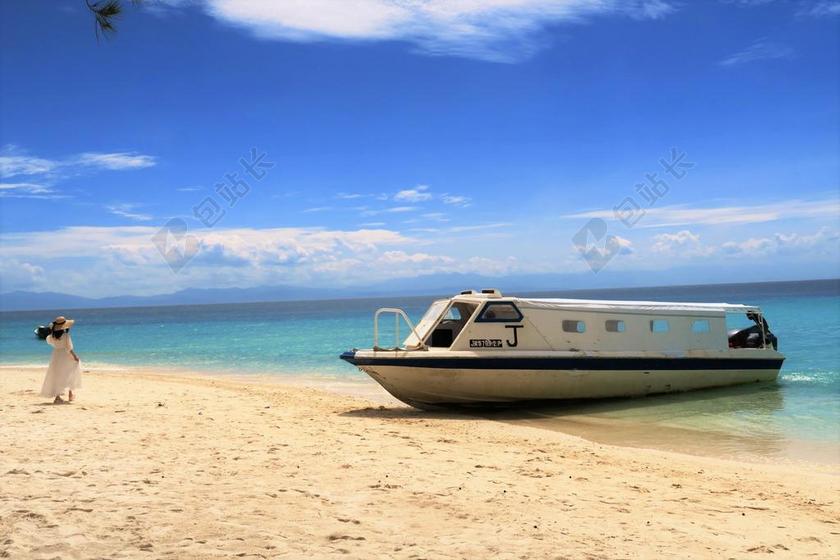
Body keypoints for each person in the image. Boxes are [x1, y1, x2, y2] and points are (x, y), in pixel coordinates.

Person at [40, 316, 81, 404]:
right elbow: (69, 348)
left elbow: (49, 341)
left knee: (57, 375)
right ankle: (70, 393)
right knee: (71, 370)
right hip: (65, 354)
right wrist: (75, 356)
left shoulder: (52, 336)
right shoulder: (66, 335)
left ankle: (58, 397)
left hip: (56, 355)